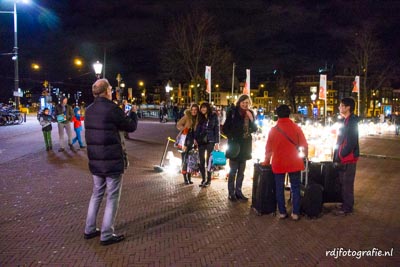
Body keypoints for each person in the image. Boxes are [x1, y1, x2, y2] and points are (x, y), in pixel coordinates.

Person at [84, 78, 138, 246]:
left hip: (95, 160)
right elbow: (130, 127)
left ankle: (89, 229)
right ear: (107, 91)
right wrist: (133, 112)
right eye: (110, 89)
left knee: (97, 193)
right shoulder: (112, 109)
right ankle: (106, 234)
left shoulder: (89, 110)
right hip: (112, 159)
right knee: (112, 196)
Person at [262, 104, 308, 221]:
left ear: (277, 115)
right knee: (295, 187)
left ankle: (282, 212)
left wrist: (267, 161)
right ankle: (295, 213)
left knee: (279, 187)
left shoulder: (273, 130)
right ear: (289, 114)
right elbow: (304, 145)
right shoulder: (296, 128)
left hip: (279, 162)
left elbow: (268, 149)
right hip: (294, 162)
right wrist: (305, 156)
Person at [223, 94, 258, 201]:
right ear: (239, 102)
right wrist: (232, 137)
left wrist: (252, 120)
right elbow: (225, 128)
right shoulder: (233, 112)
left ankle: (239, 192)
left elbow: (254, 129)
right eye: (243, 102)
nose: (245, 104)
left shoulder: (250, 113)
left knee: (241, 172)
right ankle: (231, 193)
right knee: (233, 170)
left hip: (245, 145)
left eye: (247, 102)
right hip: (234, 145)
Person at [333, 97, 359, 216]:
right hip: (345, 157)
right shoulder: (346, 121)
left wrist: (341, 153)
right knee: (344, 182)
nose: (339, 107)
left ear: (348, 107)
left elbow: (351, 141)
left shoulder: (351, 122)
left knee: (347, 183)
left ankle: (347, 207)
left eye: (341, 105)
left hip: (348, 158)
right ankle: (345, 204)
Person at [195, 102, 220, 187]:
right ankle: (203, 179)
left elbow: (217, 129)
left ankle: (208, 180)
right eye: (202, 108)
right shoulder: (200, 117)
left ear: (208, 108)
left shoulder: (213, 116)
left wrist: (217, 142)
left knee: (209, 161)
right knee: (201, 161)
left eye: (204, 107)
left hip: (211, 140)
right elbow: (197, 129)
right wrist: (196, 138)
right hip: (201, 141)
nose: (203, 109)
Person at [176, 104, 199, 184]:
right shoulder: (187, 116)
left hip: (193, 141)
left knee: (191, 160)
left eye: (195, 110)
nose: (194, 111)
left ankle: (189, 178)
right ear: (190, 110)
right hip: (185, 141)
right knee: (185, 160)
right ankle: (185, 178)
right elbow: (178, 124)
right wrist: (184, 129)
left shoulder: (198, 118)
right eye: (192, 109)